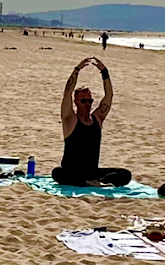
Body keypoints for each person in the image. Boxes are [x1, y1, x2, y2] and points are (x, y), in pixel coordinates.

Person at [51, 57, 131, 187]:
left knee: (125, 174)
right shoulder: (70, 120)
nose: (87, 104)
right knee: (57, 173)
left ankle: (94, 182)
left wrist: (104, 72)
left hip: (92, 172)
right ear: (76, 102)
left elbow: (109, 95)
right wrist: (77, 70)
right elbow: (67, 92)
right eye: (83, 101)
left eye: (90, 101)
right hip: (72, 171)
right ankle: (88, 183)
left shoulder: (97, 119)